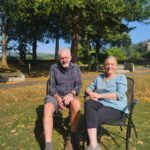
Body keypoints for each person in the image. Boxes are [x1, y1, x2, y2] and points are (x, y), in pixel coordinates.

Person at [85, 56, 128, 150]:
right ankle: (94, 145)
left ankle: (91, 145)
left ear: (116, 66)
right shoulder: (99, 78)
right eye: (107, 64)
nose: (109, 66)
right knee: (88, 103)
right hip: (102, 105)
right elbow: (88, 88)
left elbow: (119, 95)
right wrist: (91, 94)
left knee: (91, 116)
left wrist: (99, 96)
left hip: (117, 109)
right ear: (104, 66)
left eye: (112, 64)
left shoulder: (121, 77)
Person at [43, 48, 82, 150]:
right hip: (55, 95)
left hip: (70, 95)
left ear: (70, 58)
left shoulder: (76, 68)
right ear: (59, 59)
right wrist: (59, 99)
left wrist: (71, 93)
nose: (64, 60)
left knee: (77, 104)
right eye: (61, 58)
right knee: (47, 107)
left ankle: (71, 137)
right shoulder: (54, 68)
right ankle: (48, 145)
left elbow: (78, 84)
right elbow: (52, 87)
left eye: (66, 58)